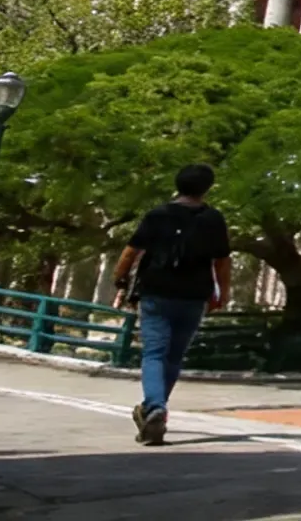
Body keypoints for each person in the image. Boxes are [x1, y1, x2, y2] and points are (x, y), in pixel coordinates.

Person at [113, 162, 232, 447]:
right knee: (174, 356)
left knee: (154, 353)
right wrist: (222, 293)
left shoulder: (158, 215)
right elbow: (222, 261)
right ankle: (155, 408)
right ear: (207, 188)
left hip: (157, 292)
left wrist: (120, 281)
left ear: (177, 184)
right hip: (193, 295)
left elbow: (130, 253)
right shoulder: (213, 218)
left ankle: (154, 407)